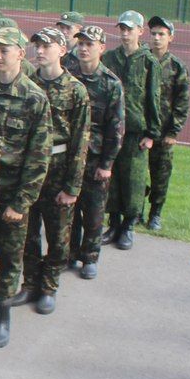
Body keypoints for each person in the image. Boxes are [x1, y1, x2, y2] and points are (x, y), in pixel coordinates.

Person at [0, 27, 51, 348]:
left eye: (5, 50)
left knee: (9, 260)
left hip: (13, 198)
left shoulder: (34, 98)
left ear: (21, 53)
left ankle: (2, 319)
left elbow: (39, 157)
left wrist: (21, 203)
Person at [21, 28, 90, 315]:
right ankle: (31, 282)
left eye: (47, 46)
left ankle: (49, 285)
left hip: (59, 169)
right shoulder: (26, 84)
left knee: (59, 234)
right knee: (27, 231)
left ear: (62, 49)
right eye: (37, 46)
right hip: (29, 170)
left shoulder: (75, 90)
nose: (40, 51)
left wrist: (72, 187)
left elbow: (81, 142)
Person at [66, 26, 125, 280]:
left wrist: (107, 163)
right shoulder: (68, 77)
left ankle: (90, 256)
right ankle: (71, 252)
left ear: (101, 47)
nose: (83, 48)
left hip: (96, 158)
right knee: (69, 208)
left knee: (93, 211)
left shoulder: (111, 83)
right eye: (80, 43)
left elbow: (117, 127)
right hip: (70, 157)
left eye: (89, 44)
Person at [102, 10, 162, 249]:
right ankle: (113, 222)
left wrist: (151, 133)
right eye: (122, 29)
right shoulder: (110, 58)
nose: (125, 34)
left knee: (134, 181)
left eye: (130, 29)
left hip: (136, 132)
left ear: (140, 31)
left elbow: (153, 98)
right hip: (112, 129)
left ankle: (128, 225)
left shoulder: (148, 62)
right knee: (112, 179)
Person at [145, 16, 190, 230]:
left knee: (160, 173)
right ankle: (134, 212)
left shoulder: (176, 66)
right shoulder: (142, 59)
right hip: (142, 129)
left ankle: (155, 213)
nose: (156, 38)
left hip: (164, 132)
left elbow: (182, 101)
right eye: (153, 33)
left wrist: (173, 131)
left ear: (170, 37)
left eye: (161, 34)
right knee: (136, 173)